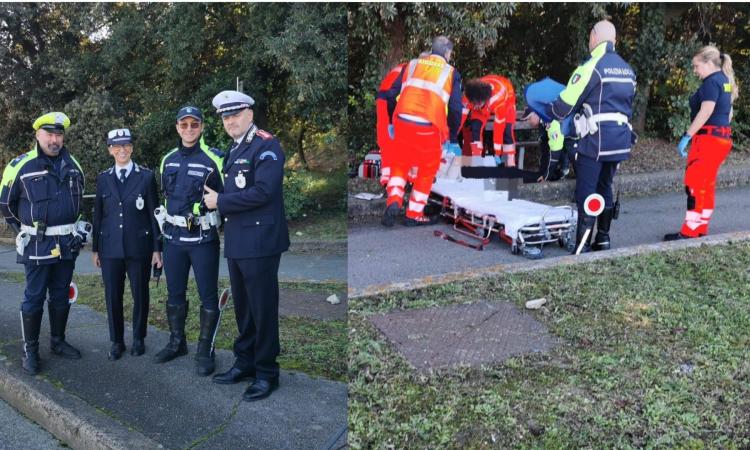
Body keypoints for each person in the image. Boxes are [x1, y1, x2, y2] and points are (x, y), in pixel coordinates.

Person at [204, 90, 290, 402]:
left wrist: (220, 201)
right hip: (239, 241)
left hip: (262, 241)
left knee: (263, 308)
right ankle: (246, 362)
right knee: (243, 307)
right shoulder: (234, 148)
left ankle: (267, 372)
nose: (230, 121)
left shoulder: (266, 145)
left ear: (250, 114)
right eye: (226, 117)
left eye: (235, 114)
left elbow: (264, 192)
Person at [0, 112, 88, 375]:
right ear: (37, 135)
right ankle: (31, 350)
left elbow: (78, 203)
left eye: (58, 135)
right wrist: (23, 230)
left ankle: (58, 342)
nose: (54, 140)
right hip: (36, 244)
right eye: (49, 134)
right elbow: (6, 204)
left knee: (61, 293)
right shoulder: (20, 166)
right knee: (34, 297)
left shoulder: (74, 166)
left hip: (66, 243)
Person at [544, 20, 636, 253]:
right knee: (606, 186)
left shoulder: (592, 66)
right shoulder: (627, 69)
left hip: (594, 141)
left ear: (594, 36)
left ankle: (581, 244)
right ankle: (602, 239)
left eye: (589, 36)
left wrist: (548, 111)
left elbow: (565, 104)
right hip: (619, 141)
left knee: (587, 190)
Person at [154, 106, 224, 377]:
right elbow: (166, 200)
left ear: (203, 127)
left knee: (207, 296)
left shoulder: (215, 159)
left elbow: (227, 198)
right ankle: (177, 342)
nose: (189, 129)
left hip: (203, 239)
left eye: (194, 124)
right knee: (174, 294)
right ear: (177, 128)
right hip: (173, 240)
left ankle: (205, 349)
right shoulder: (167, 160)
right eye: (184, 125)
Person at [91, 128, 162, 360]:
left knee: (140, 294)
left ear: (132, 148)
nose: (122, 150)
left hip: (139, 247)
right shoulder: (103, 178)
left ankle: (139, 338)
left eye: (126, 145)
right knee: (113, 296)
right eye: (117, 146)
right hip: (110, 248)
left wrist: (157, 248)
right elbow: (98, 215)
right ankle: (117, 340)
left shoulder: (146, 176)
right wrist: (95, 248)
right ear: (110, 150)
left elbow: (154, 215)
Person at [381, 36, 463, 227]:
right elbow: (456, 109)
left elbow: (392, 95)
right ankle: (413, 214)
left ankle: (394, 200)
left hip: (402, 122)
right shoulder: (451, 72)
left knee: (400, 164)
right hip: (429, 126)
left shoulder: (412, 65)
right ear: (448, 53)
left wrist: (394, 120)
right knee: (426, 171)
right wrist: (452, 137)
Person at [664, 46, 738, 241]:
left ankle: (689, 231)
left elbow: (705, 111)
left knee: (695, 184)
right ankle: (700, 228)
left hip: (708, 140)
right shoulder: (725, 81)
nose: (695, 70)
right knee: (707, 183)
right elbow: (728, 113)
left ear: (708, 63)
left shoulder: (710, 82)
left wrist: (688, 135)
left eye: (696, 66)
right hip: (722, 139)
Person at [462, 75, 518, 167]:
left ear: (485, 100)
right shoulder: (469, 96)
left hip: (507, 99)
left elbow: (498, 128)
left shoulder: (498, 100)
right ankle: (477, 161)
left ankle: (510, 164)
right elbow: (460, 117)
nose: (475, 107)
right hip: (482, 99)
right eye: (473, 104)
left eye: (477, 104)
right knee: (475, 128)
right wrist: (450, 138)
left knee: (507, 131)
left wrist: (497, 152)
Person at [376, 62, 407, 187]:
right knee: (393, 139)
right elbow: (395, 94)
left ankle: (386, 177)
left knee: (385, 141)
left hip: (382, 100)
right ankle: (395, 176)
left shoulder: (403, 67)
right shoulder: (412, 70)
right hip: (389, 103)